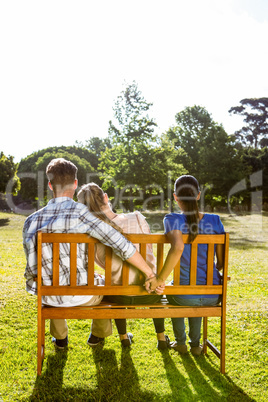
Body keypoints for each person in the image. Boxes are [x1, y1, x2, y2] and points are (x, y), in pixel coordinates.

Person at [23, 158, 158, 349]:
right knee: (102, 281)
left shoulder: (31, 221)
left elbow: (32, 266)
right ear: (75, 183)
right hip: (84, 296)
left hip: (48, 296)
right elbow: (121, 244)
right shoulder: (84, 214)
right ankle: (97, 335)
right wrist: (150, 273)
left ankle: (60, 338)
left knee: (50, 278)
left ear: (50, 185)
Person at [77, 183, 169, 349]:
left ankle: (124, 337)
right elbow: (149, 250)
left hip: (119, 296)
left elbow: (101, 263)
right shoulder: (137, 218)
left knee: (111, 281)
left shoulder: (94, 233)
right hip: (150, 291)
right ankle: (161, 338)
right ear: (106, 197)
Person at [147, 175, 225, 356]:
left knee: (177, 292)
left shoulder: (171, 219)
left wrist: (160, 279)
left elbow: (177, 247)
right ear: (198, 195)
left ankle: (181, 342)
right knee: (195, 293)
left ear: (175, 197)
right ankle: (196, 345)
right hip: (212, 294)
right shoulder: (215, 221)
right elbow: (220, 262)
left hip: (182, 296)